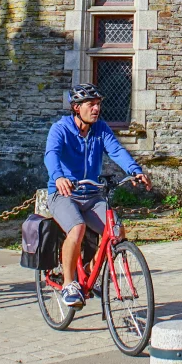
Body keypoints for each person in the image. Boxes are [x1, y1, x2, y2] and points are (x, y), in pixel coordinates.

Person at [44, 84, 151, 309]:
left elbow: (117, 151)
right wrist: (59, 177)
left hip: (91, 195)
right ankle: (69, 283)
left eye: (98, 105)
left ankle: (91, 275)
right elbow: (51, 154)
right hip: (64, 194)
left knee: (116, 231)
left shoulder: (101, 129)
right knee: (77, 228)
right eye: (91, 105)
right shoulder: (60, 129)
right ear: (76, 107)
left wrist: (135, 170)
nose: (96, 109)